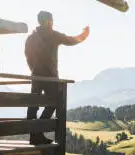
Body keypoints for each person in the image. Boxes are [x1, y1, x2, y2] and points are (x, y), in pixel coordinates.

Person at [25, 10, 90, 145]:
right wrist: (84, 35)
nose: (53, 23)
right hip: (50, 77)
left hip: (36, 76)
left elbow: (27, 56)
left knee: (33, 105)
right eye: (52, 20)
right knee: (54, 102)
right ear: (48, 21)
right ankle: (38, 132)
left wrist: (34, 70)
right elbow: (71, 40)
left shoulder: (31, 38)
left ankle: (34, 135)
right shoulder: (53, 35)